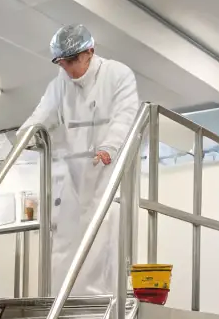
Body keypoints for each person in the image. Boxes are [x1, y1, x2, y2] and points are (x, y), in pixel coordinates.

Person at [23, 23, 139, 297]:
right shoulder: (59, 85)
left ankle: (102, 305)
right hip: (74, 175)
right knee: (65, 241)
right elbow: (42, 114)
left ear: (90, 52)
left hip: (110, 173)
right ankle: (62, 303)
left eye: (72, 61)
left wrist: (110, 146)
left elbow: (125, 114)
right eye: (62, 63)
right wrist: (24, 136)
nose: (68, 69)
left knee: (103, 240)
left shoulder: (117, 74)